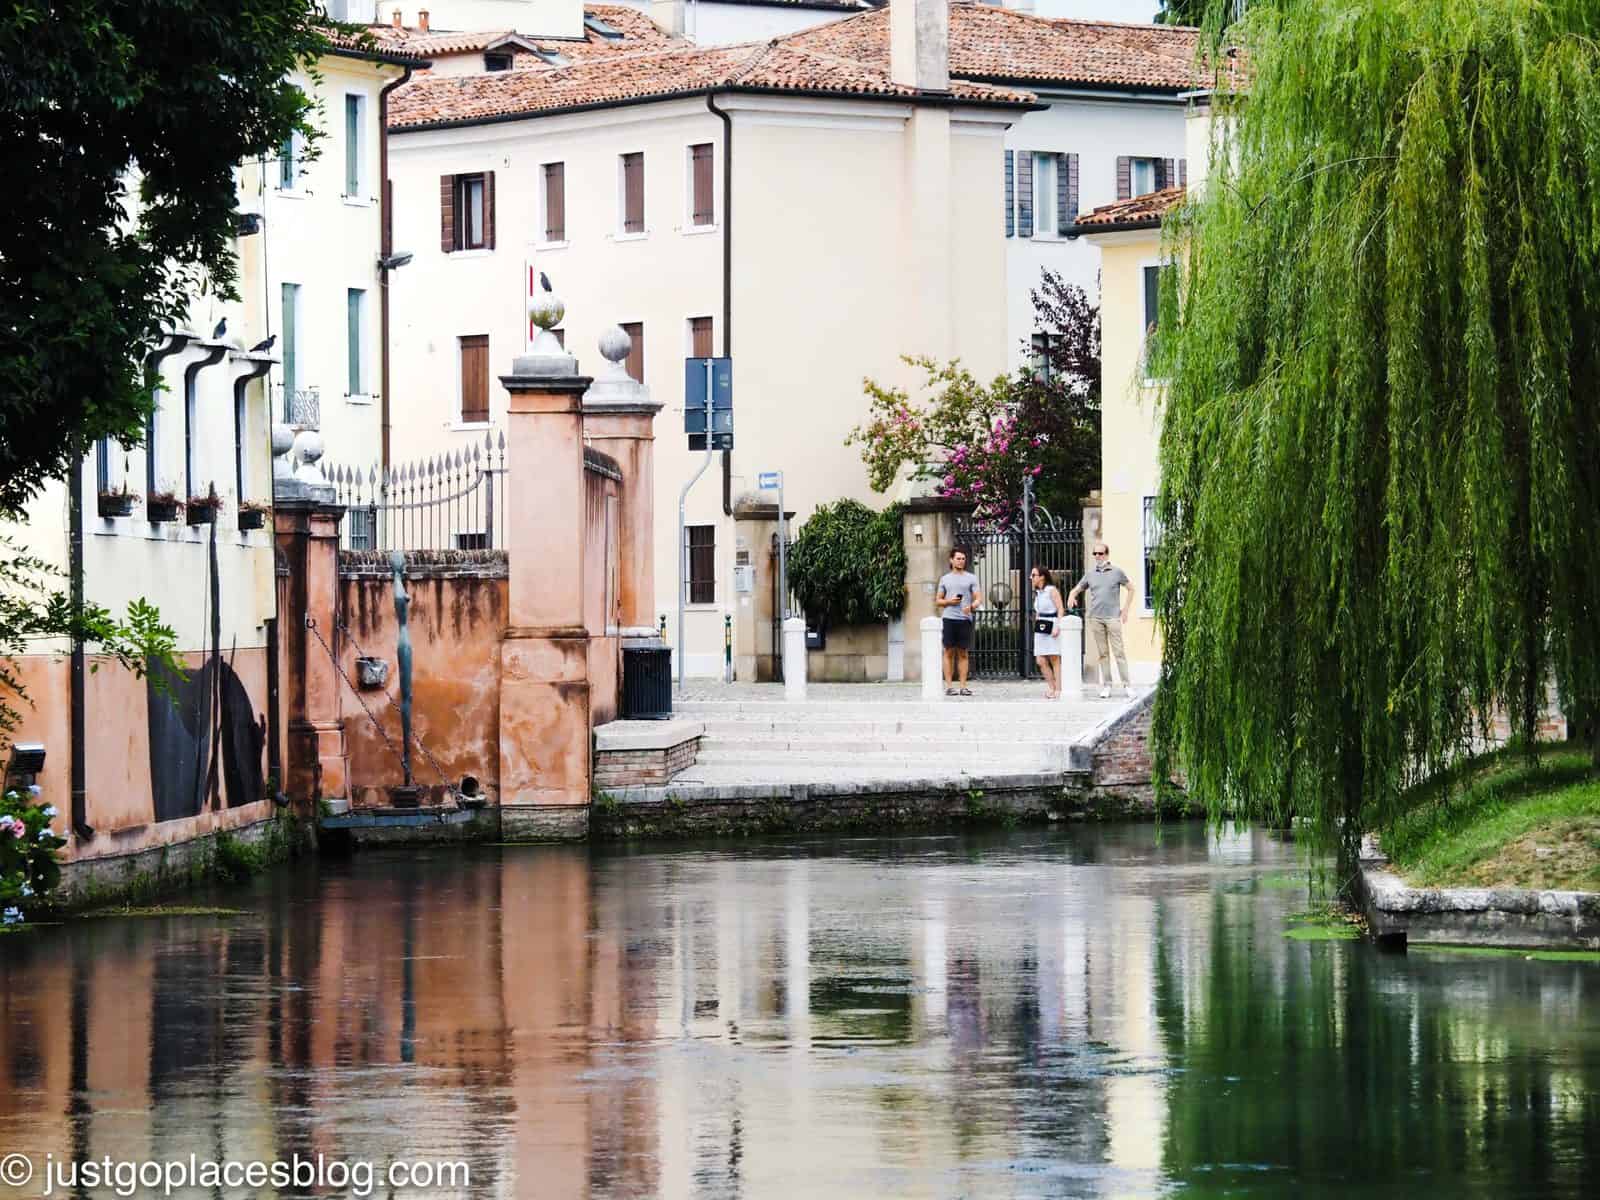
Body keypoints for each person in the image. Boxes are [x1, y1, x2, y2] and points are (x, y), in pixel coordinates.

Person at [1067, 541, 1134, 698]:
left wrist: (1125, 610)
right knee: (1103, 654)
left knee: (1119, 652)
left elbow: (1131, 588)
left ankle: (1127, 685)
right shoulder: (1090, 574)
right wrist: (1071, 595)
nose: (1097, 556)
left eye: (1100, 553)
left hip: (1113, 617)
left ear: (1107, 554)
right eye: (1095, 554)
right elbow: (1077, 588)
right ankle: (1107, 685)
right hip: (1095, 618)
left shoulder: (1117, 572)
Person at [936, 548, 982, 696]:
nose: (961, 561)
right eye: (958, 558)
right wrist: (950, 601)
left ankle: (963, 686)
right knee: (948, 652)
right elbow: (938, 600)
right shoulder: (945, 579)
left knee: (963, 652)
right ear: (951, 560)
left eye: (963, 558)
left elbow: (978, 598)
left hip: (964, 619)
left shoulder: (971, 578)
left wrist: (972, 606)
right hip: (949, 618)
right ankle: (949, 686)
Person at [1029, 564, 1066, 699]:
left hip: (1052, 624)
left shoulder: (1052, 590)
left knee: (1054, 658)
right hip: (1041, 626)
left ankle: (1059, 689)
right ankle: (1052, 686)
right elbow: (1038, 611)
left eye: (1033, 575)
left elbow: (1060, 609)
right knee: (1040, 660)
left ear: (1042, 577)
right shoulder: (1038, 593)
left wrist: (1058, 626)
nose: (1031, 578)